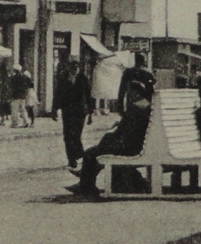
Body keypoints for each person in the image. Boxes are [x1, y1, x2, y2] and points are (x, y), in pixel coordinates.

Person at [67, 68, 156, 197]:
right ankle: (138, 182)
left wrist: (110, 137)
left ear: (135, 90)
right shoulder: (148, 105)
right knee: (100, 149)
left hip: (132, 148)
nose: (127, 94)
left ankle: (86, 187)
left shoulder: (137, 108)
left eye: (128, 90)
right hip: (140, 146)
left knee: (91, 154)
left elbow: (126, 134)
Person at [52, 56, 89, 170]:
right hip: (67, 110)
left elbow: (88, 96)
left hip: (79, 111)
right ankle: (71, 160)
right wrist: (54, 109)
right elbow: (57, 94)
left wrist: (90, 113)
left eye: (77, 64)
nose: (75, 67)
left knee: (76, 135)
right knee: (68, 135)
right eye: (72, 64)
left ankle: (79, 155)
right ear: (68, 66)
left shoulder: (83, 79)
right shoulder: (63, 79)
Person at [5, 63, 36, 128]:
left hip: (15, 95)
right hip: (23, 96)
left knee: (14, 110)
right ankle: (26, 121)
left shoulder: (13, 78)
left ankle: (14, 123)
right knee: (23, 109)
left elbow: (11, 86)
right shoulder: (24, 77)